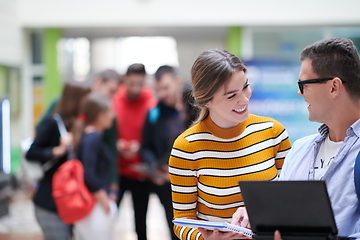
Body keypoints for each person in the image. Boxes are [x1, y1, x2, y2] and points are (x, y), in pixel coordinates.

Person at [231, 37, 360, 239]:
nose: (300, 94)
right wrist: (253, 217)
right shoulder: (300, 150)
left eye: (303, 84)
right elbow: (281, 216)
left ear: (334, 87)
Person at [168, 49, 292, 240]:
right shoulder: (187, 147)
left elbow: (292, 199)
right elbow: (182, 221)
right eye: (231, 95)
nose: (244, 99)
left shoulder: (273, 132)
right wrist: (205, 239)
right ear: (206, 100)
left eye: (245, 87)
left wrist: (259, 210)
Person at [36, 69, 122, 200]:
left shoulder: (107, 114)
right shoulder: (74, 98)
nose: (111, 96)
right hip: (64, 175)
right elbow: (41, 130)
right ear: (98, 82)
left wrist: (112, 182)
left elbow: (110, 148)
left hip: (92, 179)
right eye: (110, 90)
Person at [25, 82, 90, 240]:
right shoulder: (53, 123)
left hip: (66, 201)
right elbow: (31, 152)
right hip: (49, 201)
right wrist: (58, 150)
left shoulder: (76, 124)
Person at [140, 65, 186, 240]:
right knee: (175, 230)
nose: (163, 93)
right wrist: (154, 168)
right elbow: (146, 146)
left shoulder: (194, 109)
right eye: (158, 89)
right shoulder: (154, 114)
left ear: (178, 82)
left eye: (166, 87)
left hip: (196, 182)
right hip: (167, 185)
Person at [112, 63, 157, 240]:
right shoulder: (114, 99)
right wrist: (117, 145)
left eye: (140, 83)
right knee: (109, 218)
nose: (136, 88)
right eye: (132, 84)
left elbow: (154, 135)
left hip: (141, 172)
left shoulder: (151, 101)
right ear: (125, 80)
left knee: (141, 222)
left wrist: (140, 147)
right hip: (118, 171)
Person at [74, 93, 118, 240]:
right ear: (100, 116)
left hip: (92, 203)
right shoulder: (93, 137)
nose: (113, 115)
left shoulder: (89, 135)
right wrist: (104, 199)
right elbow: (88, 173)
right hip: (93, 205)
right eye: (110, 111)